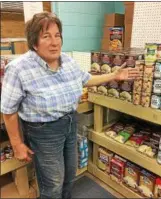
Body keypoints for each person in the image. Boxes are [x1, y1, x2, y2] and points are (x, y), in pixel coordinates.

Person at [1, 12, 139, 199]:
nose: (54, 42)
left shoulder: (67, 61)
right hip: (44, 132)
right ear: (34, 42)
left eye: (57, 35)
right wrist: (17, 144)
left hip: (70, 124)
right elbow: (8, 110)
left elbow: (86, 79)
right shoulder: (18, 68)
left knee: (69, 175)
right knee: (53, 183)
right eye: (46, 36)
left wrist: (114, 75)